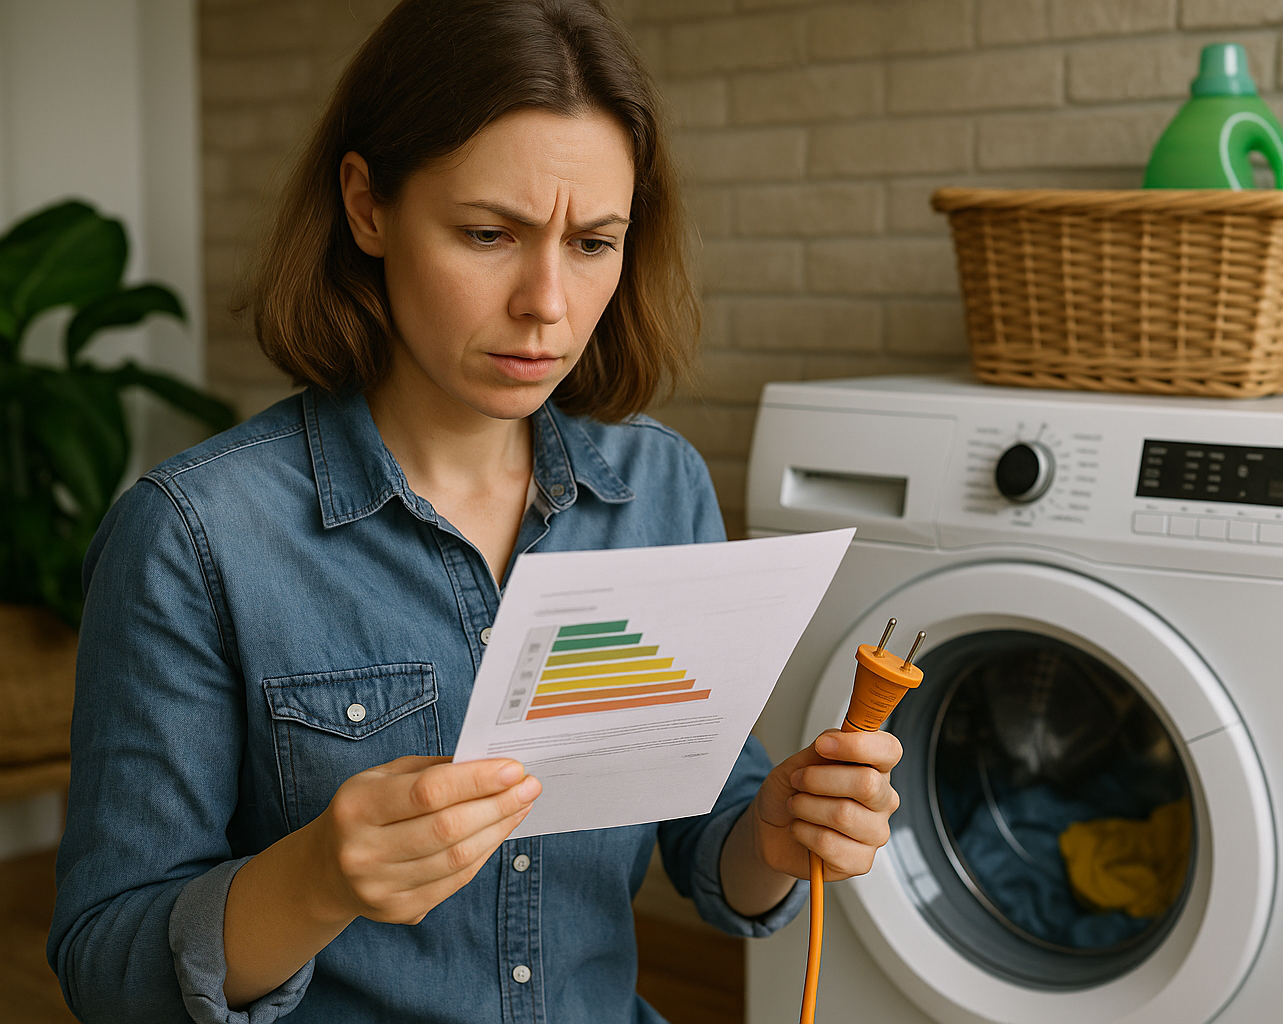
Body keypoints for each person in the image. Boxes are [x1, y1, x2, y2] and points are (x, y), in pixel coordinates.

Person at [46, 2, 903, 1021]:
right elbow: (108, 966)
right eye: (489, 233)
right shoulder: (193, 536)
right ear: (366, 205)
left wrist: (778, 831)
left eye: (593, 243)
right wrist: (316, 878)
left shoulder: (658, 491)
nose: (547, 301)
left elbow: (712, 845)